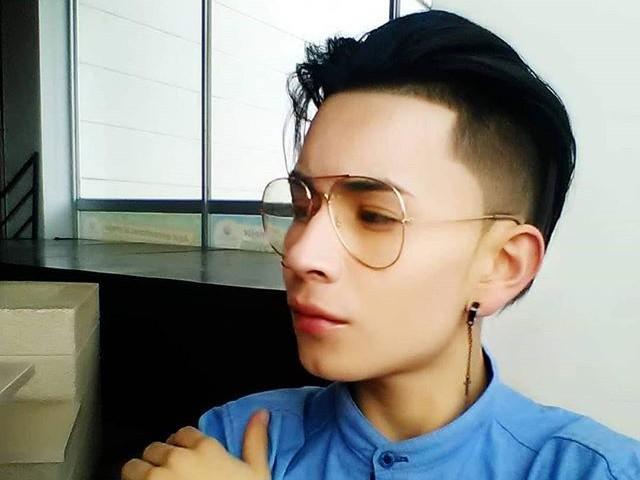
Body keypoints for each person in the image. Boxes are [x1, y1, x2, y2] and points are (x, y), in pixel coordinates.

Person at [121, 9, 640, 480]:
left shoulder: (596, 471)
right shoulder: (232, 442)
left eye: (374, 216)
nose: (301, 254)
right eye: (303, 207)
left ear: (502, 264)